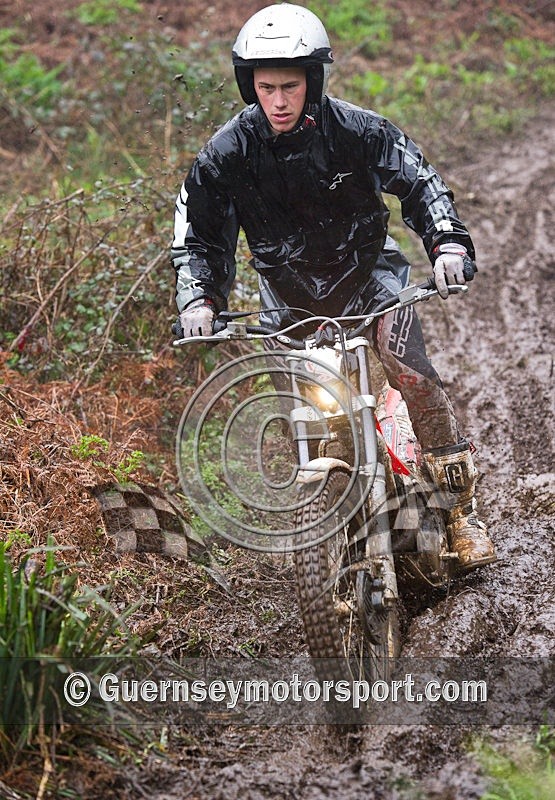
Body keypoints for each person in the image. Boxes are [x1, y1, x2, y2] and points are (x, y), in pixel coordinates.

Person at [171, 3, 496, 571]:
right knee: (297, 406)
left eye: (289, 86)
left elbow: (420, 182)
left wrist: (447, 243)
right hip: (288, 298)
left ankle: (461, 511)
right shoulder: (225, 154)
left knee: (411, 372)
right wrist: (198, 297)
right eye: (266, 87)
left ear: (312, 81)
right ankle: (324, 523)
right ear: (249, 86)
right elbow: (196, 237)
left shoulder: (360, 130)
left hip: (372, 281)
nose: (278, 100)